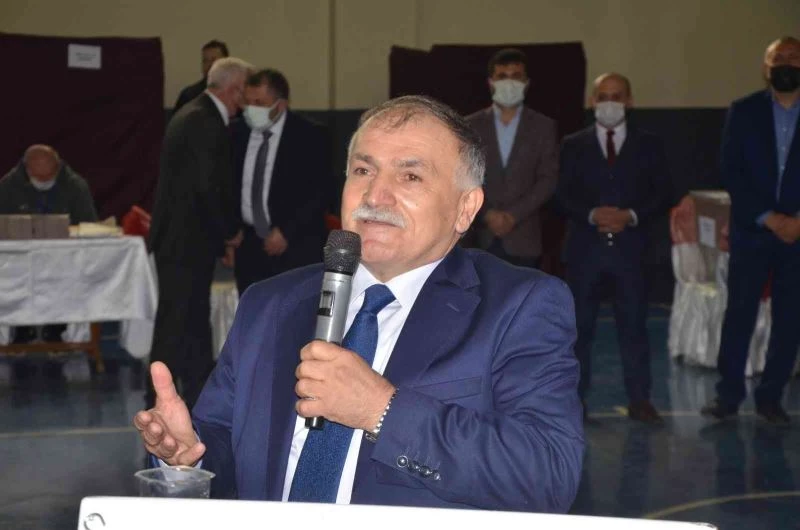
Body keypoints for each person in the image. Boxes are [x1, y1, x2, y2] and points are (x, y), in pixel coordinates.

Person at [135, 95, 584, 512]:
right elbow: (225, 444)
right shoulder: (269, 304)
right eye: (363, 170)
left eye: (410, 176)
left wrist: (381, 410)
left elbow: (548, 475)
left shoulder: (518, 306)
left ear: (466, 208)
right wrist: (188, 456)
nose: (375, 196)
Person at [556, 73, 670, 424]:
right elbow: (561, 195)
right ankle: (575, 402)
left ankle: (640, 399)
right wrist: (592, 214)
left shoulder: (650, 144)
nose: (609, 103)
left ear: (629, 101)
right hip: (585, 252)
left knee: (634, 328)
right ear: (592, 102)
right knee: (579, 332)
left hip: (632, 252)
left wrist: (630, 216)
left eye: (616, 96)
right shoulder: (573, 144)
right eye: (602, 96)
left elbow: (663, 192)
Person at [701, 37, 800, 425]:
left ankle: (771, 397)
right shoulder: (743, 111)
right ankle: (728, 395)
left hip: (798, 235)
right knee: (739, 313)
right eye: (778, 58)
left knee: (790, 318)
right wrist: (769, 218)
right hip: (753, 231)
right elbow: (731, 170)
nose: (786, 63)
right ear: (765, 67)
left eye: (794, 57)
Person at [147, 57, 250, 410]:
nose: (245, 102)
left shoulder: (192, 113)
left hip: (183, 239)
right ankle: (157, 397)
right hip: (186, 241)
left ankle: (196, 394)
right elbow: (209, 187)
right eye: (244, 92)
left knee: (190, 321)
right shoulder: (204, 121)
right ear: (233, 89)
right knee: (177, 321)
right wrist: (230, 232)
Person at [0, 145, 98, 378]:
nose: (44, 181)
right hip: (19, 259)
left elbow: (89, 224)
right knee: (12, 278)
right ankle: (20, 331)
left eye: (49, 176)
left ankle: (56, 330)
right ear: (27, 170)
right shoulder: (8, 186)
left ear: (58, 167)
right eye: (39, 177)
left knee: (68, 277)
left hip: (64, 258)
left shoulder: (76, 186)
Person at [231, 69, 330, 295]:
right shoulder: (237, 133)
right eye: (248, 102)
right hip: (249, 248)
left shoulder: (310, 135)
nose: (251, 109)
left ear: (281, 105)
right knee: (253, 311)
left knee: (294, 312)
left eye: (259, 103)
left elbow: (320, 193)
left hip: (296, 247)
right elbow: (229, 186)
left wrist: (286, 232)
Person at [466, 48, 559, 268]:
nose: (509, 83)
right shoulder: (469, 125)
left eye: (516, 76)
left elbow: (548, 179)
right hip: (481, 236)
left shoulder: (544, 127)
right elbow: (463, 176)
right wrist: (487, 214)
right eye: (502, 76)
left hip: (524, 237)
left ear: (526, 83)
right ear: (491, 83)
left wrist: (513, 216)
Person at [172, 40, 229, 115]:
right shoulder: (189, 95)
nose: (209, 65)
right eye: (205, 61)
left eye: (213, 60)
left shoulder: (235, 93)